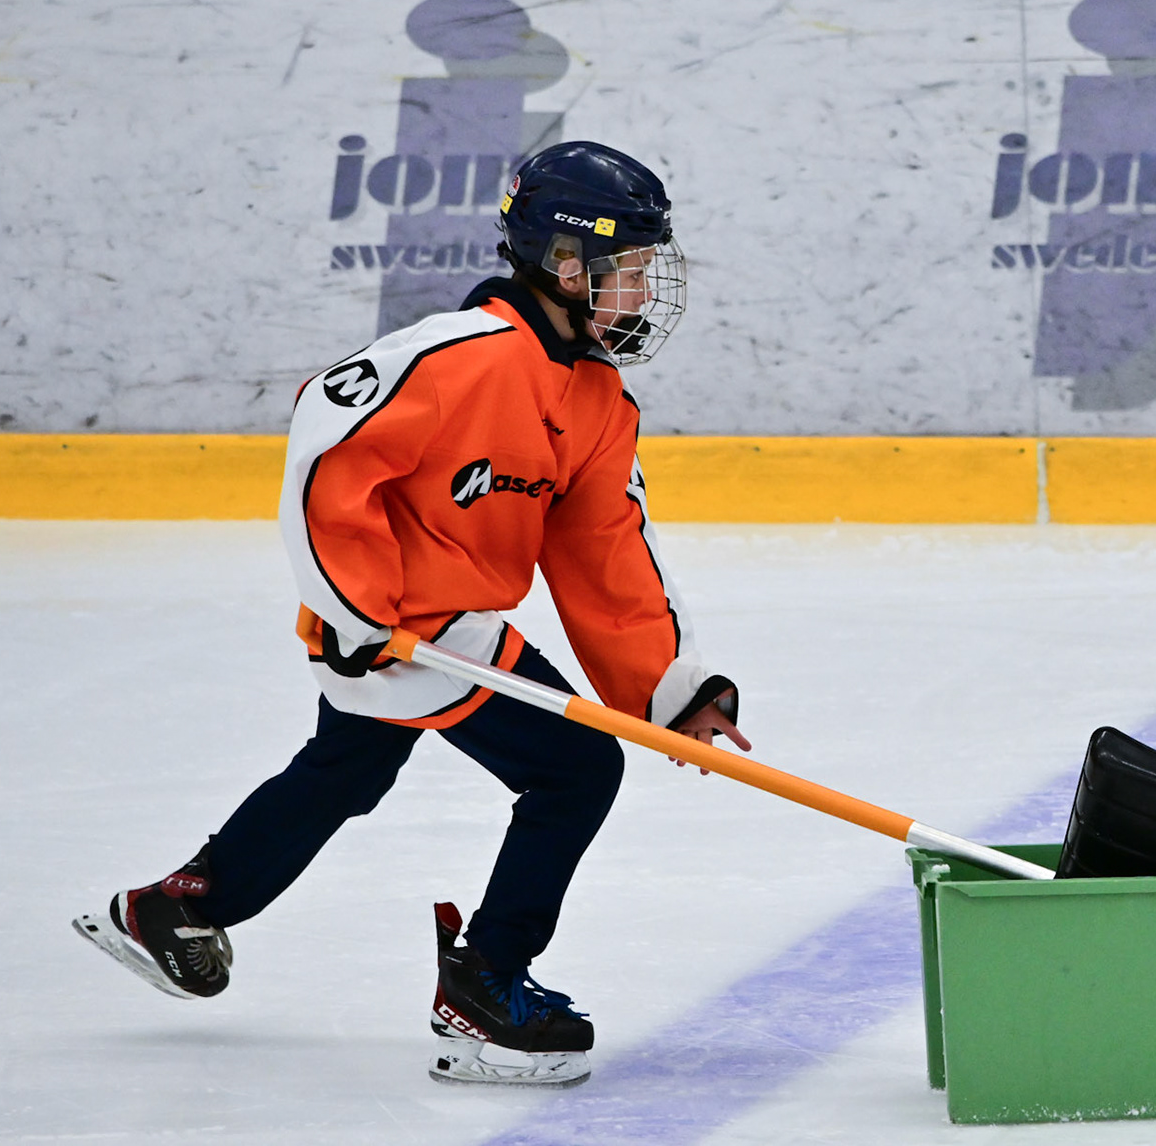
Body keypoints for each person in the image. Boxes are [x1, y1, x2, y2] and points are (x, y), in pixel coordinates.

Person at [73, 141, 749, 1088]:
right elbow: (328, 438)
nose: (641, 292)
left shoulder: (597, 398)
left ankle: (177, 908)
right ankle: (483, 987)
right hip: (392, 625)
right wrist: (356, 607)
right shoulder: (456, 355)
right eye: (627, 269)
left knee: (346, 772)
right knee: (575, 770)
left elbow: (605, 551)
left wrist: (669, 689)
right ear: (565, 264)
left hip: (441, 626)